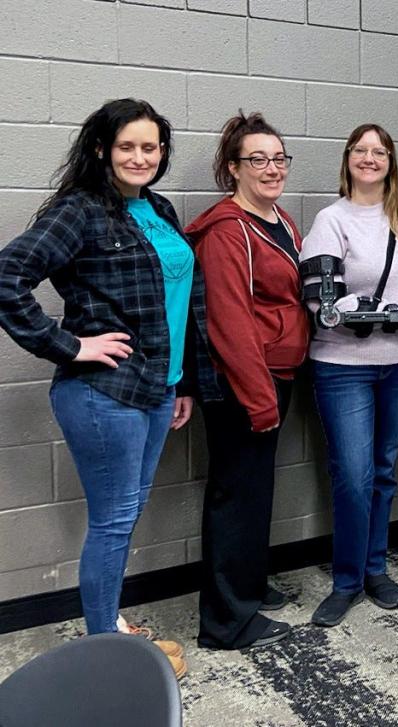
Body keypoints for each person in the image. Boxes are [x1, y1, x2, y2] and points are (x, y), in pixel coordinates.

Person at [0, 99, 219, 679]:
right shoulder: (80, 211)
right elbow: (8, 276)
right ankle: (103, 648)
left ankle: (109, 623)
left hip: (156, 387)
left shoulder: (158, 208)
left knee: (127, 512)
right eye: (128, 146)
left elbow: (182, 305)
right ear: (101, 148)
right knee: (115, 519)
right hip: (104, 393)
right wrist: (70, 345)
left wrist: (183, 383)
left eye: (151, 147)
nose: (141, 157)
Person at [300, 124, 398, 627]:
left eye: (380, 152)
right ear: (348, 158)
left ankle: (375, 569)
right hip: (343, 369)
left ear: (391, 161)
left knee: (382, 471)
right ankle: (347, 580)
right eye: (361, 150)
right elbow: (325, 306)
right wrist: (396, 317)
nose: (370, 159)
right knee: (352, 478)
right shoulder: (330, 220)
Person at [186, 112, 309, 650]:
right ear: (232, 168)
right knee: (236, 495)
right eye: (257, 159)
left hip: (274, 375)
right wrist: (259, 400)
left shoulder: (278, 218)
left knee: (256, 491)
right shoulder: (226, 230)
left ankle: (248, 586)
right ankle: (227, 622)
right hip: (243, 384)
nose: (271, 167)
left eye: (279, 157)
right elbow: (231, 323)